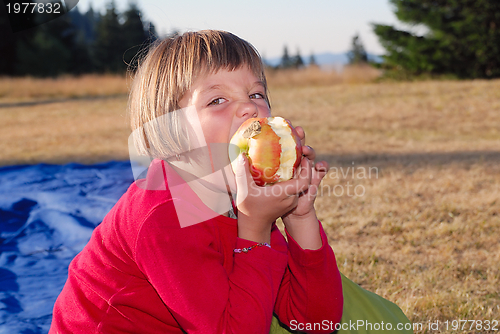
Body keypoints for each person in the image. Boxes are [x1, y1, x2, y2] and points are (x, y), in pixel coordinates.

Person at [49, 30, 344, 333]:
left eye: (256, 94)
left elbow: (314, 321)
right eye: (217, 100)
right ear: (171, 131)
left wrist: (299, 215)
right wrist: (254, 227)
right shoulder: (164, 214)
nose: (250, 108)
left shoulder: (238, 190)